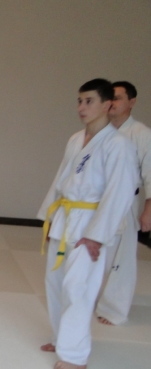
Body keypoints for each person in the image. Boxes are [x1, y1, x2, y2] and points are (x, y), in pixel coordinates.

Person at [38, 78, 138, 369]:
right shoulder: (75, 139)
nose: (82, 107)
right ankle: (61, 337)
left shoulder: (118, 144)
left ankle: (75, 354)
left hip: (91, 222)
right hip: (65, 216)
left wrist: (96, 236)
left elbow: (120, 192)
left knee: (78, 288)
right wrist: (50, 219)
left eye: (89, 101)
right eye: (80, 101)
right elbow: (60, 179)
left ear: (107, 104)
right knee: (55, 283)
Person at [95, 81, 151, 326]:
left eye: (118, 97)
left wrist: (148, 210)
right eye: (110, 98)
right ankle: (88, 298)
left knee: (122, 259)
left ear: (132, 102)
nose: (113, 102)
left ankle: (114, 309)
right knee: (93, 253)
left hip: (124, 201)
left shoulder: (141, 134)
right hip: (96, 201)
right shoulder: (100, 131)